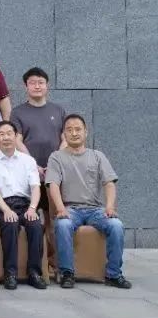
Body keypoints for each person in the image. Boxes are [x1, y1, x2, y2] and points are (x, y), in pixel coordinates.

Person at [47, 114, 131, 289]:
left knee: (116, 225)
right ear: (64, 134)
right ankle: (67, 273)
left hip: (95, 209)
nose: (74, 133)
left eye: (78, 129)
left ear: (86, 132)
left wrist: (109, 207)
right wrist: (60, 208)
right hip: (70, 208)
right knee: (63, 225)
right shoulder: (56, 157)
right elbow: (53, 185)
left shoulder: (97, 156)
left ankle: (114, 274)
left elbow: (109, 183)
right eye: (69, 130)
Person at [0, 120, 46, 289]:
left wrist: (32, 209)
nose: (6, 138)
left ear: (16, 136)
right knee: (10, 224)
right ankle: (10, 273)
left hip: (25, 204)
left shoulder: (28, 160)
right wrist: (6, 210)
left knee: (35, 225)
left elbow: (35, 187)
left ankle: (35, 273)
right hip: (0, 206)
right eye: (1, 134)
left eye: (9, 133)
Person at [10, 67, 66, 177]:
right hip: (27, 170)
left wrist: (55, 162)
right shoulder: (17, 112)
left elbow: (66, 139)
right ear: (26, 86)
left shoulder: (58, 110)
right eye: (32, 83)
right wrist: (32, 164)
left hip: (57, 169)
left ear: (47, 85)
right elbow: (17, 141)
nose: (37, 86)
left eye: (41, 83)